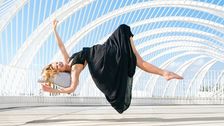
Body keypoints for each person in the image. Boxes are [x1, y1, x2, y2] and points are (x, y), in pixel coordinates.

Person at [41, 19, 183, 113]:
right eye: (58, 67)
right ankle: (163, 73)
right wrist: (53, 90)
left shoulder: (69, 60)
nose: (59, 63)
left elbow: (60, 46)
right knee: (123, 31)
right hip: (101, 57)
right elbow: (72, 88)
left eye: (56, 62)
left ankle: (164, 73)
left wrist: (54, 30)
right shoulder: (74, 69)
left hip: (102, 51)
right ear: (60, 72)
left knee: (137, 59)